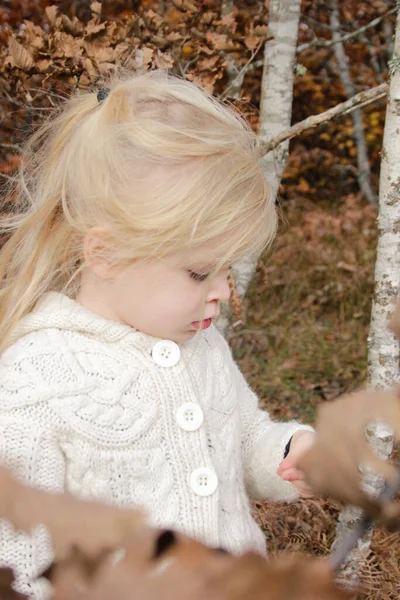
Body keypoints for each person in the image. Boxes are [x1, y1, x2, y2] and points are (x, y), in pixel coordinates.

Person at [0, 69, 315, 598]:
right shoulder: (31, 391)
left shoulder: (201, 345)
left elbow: (240, 438)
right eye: (198, 273)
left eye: (227, 269)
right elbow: (19, 566)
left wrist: (289, 448)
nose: (221, 292)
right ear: (105, 255)